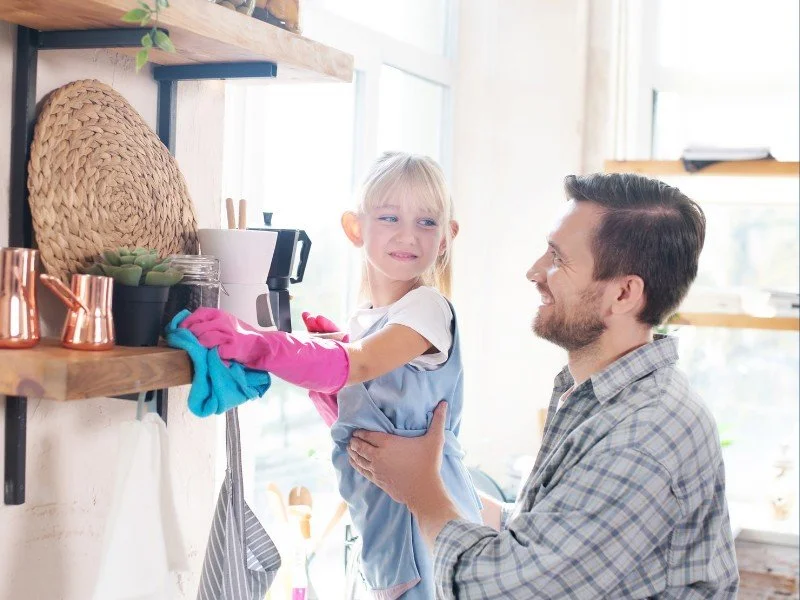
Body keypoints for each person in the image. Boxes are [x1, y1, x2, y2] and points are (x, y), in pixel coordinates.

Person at [347, 172, 740, 599]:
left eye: (558, 258)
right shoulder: (606, 398)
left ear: (624, 294)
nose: (534, 271)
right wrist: (440, 483)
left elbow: (496, 591)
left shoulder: (642, 436)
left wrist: (422, 492)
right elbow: (558, 536)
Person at [181, 152, 482, 599]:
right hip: (392, 542)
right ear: (355, 228)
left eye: (426, 222)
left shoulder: (427, 307)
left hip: (427, 536)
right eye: (389, 216)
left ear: (446, 238)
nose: (407, 234)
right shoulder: (371, 319)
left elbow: (358, 362)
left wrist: (258, 342)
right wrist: (339, 400)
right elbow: (377, 403)